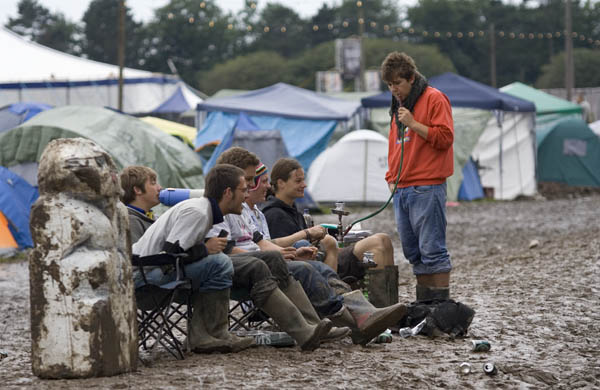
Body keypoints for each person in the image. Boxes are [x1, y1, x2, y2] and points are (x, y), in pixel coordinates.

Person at [212, 147, 407, 345]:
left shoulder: (246, 211)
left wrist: (291, 252)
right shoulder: (225, 209)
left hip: (266, 263)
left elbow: (262, 243)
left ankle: (362, 315)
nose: (253, 185)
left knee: (317, 266)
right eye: (248, 180)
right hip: (252, 271)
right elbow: (227, 249)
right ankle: (355, 325)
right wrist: (293, 245)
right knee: (308, 268)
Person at [132, 164, 333, 352]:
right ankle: (212, 334)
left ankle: (306, 329)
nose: (247, 196)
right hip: (147, 278)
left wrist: (204, 249)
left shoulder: (206, 211)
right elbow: (169, 256)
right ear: (228, 193)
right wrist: (204, 248)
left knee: (268, 258)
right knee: (221, 263)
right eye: (243, 190)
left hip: (160, 272)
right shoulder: (198, 213)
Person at [262, 157, 399, 308]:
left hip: (325, 257)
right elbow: (283, 253)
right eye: (298, 181)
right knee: (377, 243)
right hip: (317, 267)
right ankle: (380, 309)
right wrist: (314, 237)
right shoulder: (274, 214)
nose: (304, 185)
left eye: (303, 180)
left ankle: (389, 309)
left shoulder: (291, 210)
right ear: (281, 183)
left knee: (384, 240)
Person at [380, 51, 454, 303]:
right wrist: (390, 178)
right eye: (389, 85)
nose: (394, 89)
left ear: (411, 78)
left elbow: (445, 138)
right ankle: (426, 304)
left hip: (427, 185)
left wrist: (413, 123)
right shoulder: (398, 107)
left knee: (432, 250)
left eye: (397, 83)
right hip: (401, 187)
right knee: (414, 252)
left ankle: (441, 305)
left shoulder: (434, 98)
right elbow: (394, 146)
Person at [120, 165, 162, 244]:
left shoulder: (153, 217)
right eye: (153, 183)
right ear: (138, 190)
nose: (159, 188)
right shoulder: (130, 221)